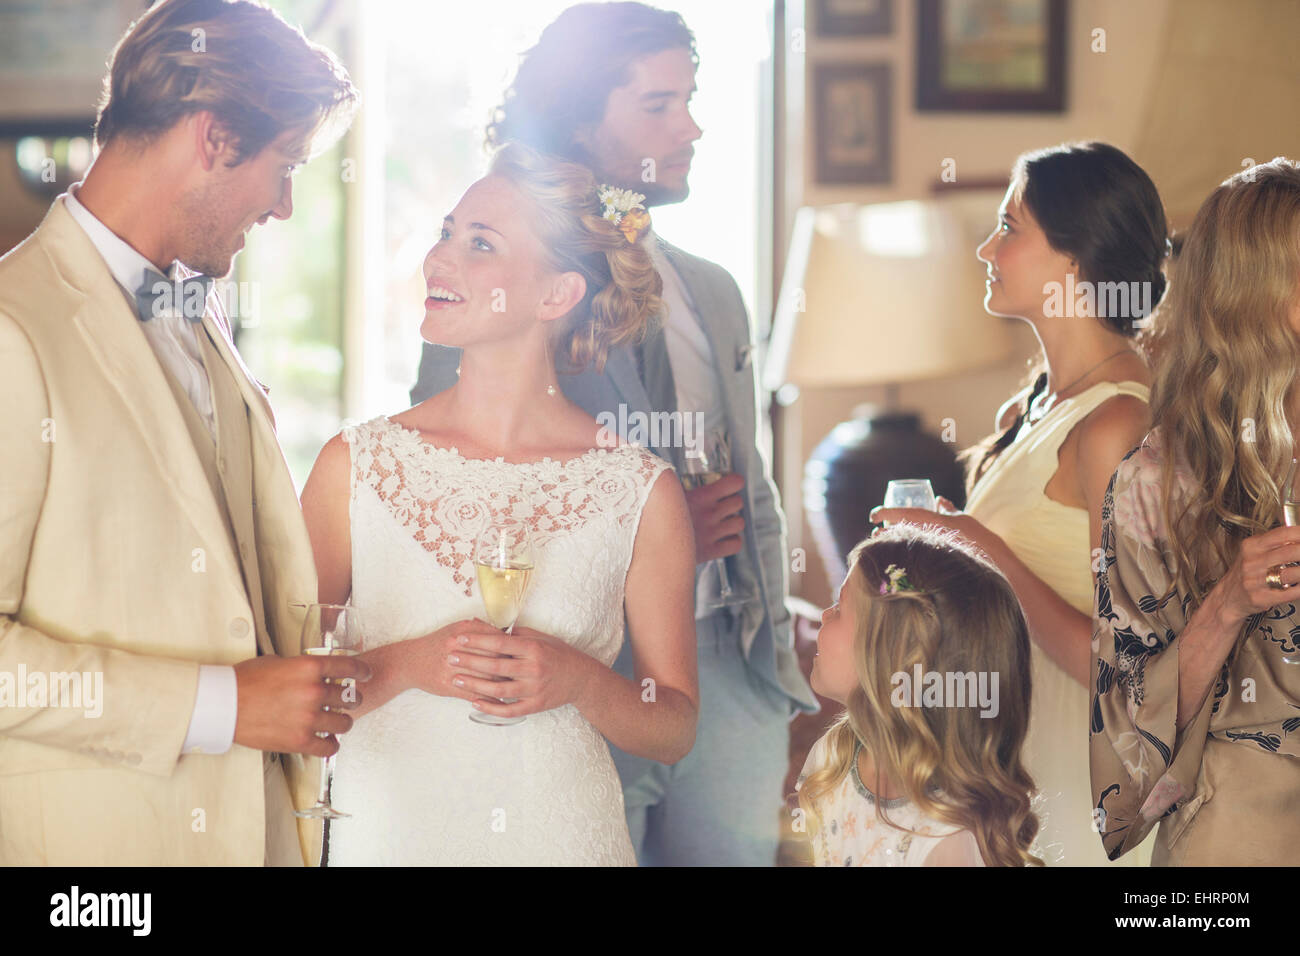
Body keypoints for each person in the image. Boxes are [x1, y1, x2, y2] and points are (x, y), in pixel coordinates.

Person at [409, 2, 816, 866]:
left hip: (732, 664)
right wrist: (649, 541)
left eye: (691, 99)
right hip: (581, 660)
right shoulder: (508, 281)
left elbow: (757, 486)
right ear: (581, 122)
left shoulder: (713, 290)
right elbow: (444, 472)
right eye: (659, 106)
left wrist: (777, 664)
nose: (692, 125)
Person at [0, 0, 362, 865]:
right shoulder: (15, 327)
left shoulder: (197, 314)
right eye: (286, 165)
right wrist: (222, 706)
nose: (282, 206)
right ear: (214, 136)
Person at [301, 141, 698, 866]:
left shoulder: (637, 488)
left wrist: (579, 679)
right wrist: (412, 665)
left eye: (479, 244)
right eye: (447, 232)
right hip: (388, 836)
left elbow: (672, 723)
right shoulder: (353, 467)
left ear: (556, 295)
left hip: (563, 836)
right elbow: (288, 690)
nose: (439, 259)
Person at [871, 142, 1168, 865]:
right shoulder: (1026, 411)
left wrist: (984, 549)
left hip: (1079, 776)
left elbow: (1139, 670)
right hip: (1008, 765)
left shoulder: (1117, 426)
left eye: (1009, 227)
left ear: (1075, 257)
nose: (985, 247)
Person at [1092, 157, 1300, 866]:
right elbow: (1121, 762)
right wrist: (1229, 603)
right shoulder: (1158, 483)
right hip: (1238, 840)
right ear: (1255, 292)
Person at [795, 524, 1040, 867]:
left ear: (894, 655)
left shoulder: (945, 840)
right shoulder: (832, 759)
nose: (823, 615)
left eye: (839, 608)